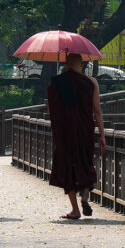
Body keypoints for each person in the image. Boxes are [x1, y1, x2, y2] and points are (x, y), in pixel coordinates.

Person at [47, 53, 106, 220]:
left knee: (67, 167)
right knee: (85, 162)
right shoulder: (91, 82)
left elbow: (54, 110)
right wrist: (102, 135)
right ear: (81, 65)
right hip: (85, 131)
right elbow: (97, 111)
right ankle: (85, 197)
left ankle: (75, 210)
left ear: (66, 64)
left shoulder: (57, 83)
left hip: (65, 133)